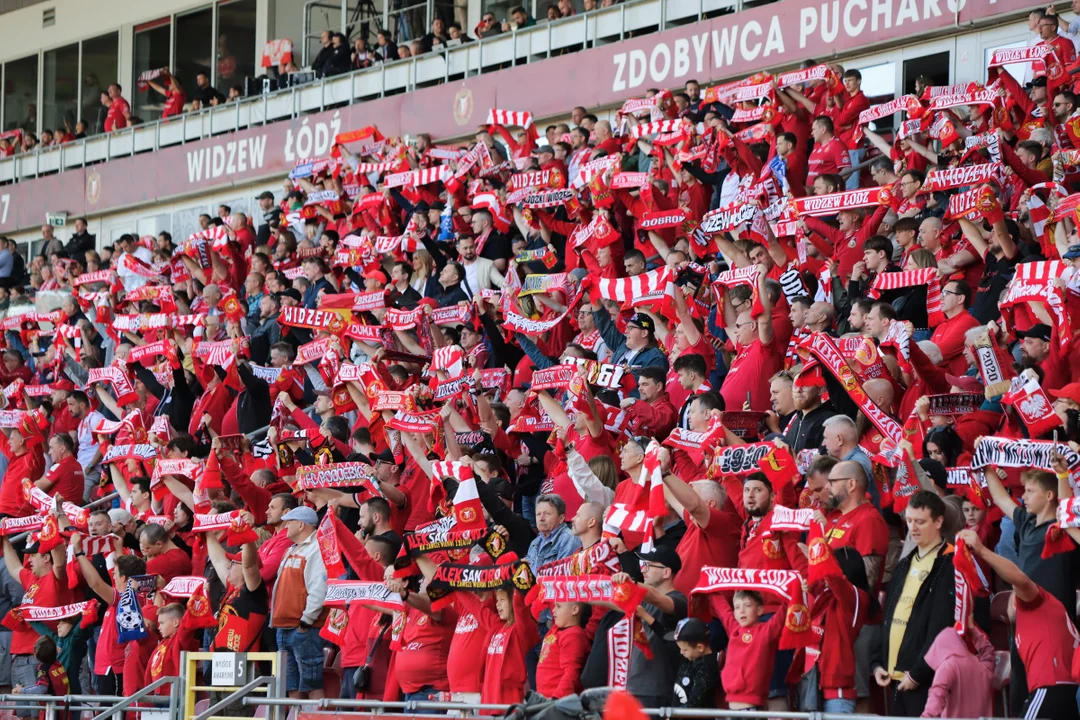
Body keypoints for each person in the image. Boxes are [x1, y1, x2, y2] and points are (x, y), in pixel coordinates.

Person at [870, 491, 955, 717]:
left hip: (925, 680)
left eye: (920, 521)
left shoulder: (950, 564)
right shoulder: (904, 564)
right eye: (909, 521)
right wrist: (878, 663)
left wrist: (919, 673)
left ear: (938, 521)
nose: (913, 528)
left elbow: (942, 626)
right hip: (896, 678)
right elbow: (888, 617)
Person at [666, 618, 718, 708]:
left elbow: (694, 703)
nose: (681, 652)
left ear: (700, 647)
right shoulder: (691, 655)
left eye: (685, 649)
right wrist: (646, 616)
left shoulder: (707, 667)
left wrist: (673, 716)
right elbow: (665, 638)